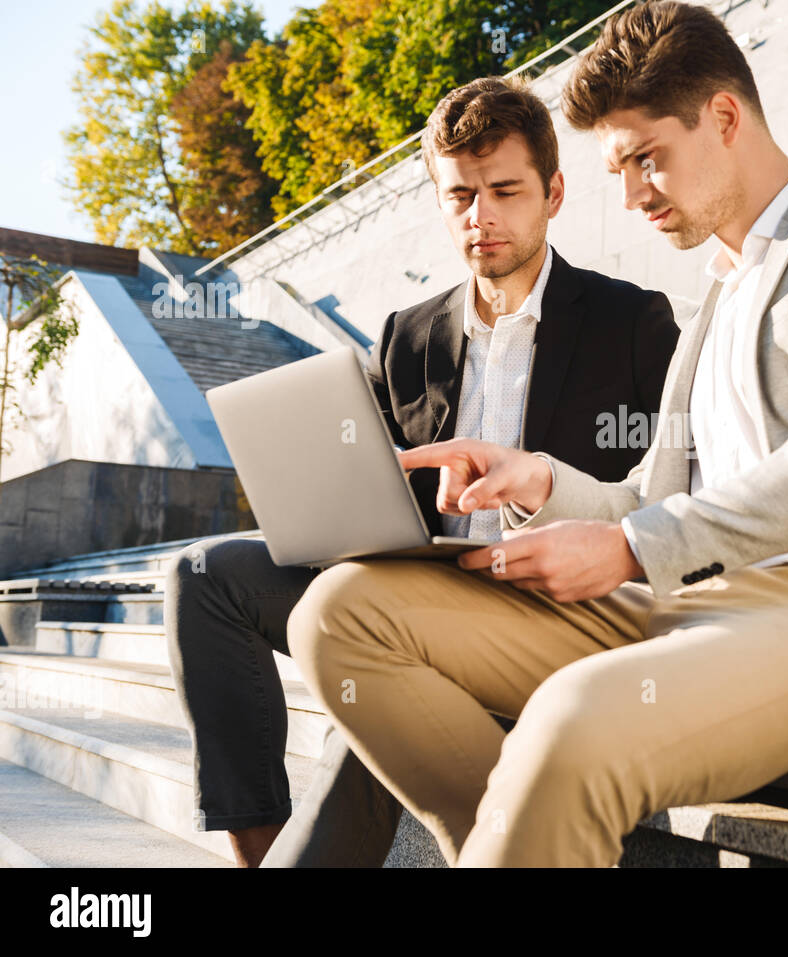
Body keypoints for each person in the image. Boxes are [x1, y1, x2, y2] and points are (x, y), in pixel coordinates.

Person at [285, 0, 788, 867]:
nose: (629, 196)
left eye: (644, 160)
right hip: (685, 607)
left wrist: (630, 544)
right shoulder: (714, 300)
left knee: (568, 722)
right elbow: (647, 499)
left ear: (724, 117)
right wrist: (536, 480)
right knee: (339, 614)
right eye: (618, 169)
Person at [164, 75, 679, 867]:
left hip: (545, 608)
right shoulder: (409, 334)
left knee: (379, 653)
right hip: (420, 576)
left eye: (505, 190)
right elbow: (368, 478)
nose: (482, 217)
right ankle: (259, 851)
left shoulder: (632, 322)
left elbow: (672, 499)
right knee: (205, 574)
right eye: (460, 196)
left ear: (555, 192)